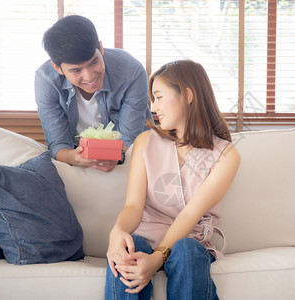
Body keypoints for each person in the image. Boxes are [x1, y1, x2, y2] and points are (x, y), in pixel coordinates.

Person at [105, 60, 240, 299]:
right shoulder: (146, 142)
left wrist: (157, 259)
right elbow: (133, 206)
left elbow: (190, 214)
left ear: (187, 95)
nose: (153, 106)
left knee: (186, 250)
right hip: (146, 238)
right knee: (128, 249)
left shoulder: (226, 155)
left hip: (187, 241)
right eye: (152, 99)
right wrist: (117, 232)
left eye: (158, 97)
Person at [35, 15, 153, 172]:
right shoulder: (46, 81)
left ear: (101, 48)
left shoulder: (131, 72)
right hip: (77, 157)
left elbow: (129, 138)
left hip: (131, 155)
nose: (90, 76)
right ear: (57, 68)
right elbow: (58, 144)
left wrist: (116, 156)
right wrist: (74, 157)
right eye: (76, 70)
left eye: (94, 62)